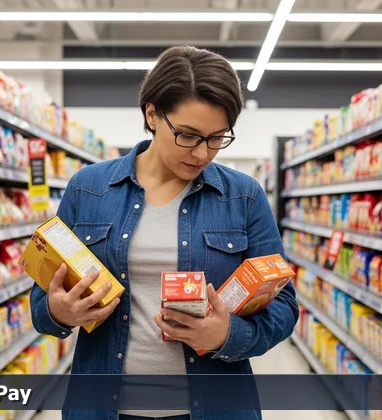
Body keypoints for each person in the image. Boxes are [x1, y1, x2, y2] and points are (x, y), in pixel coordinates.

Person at [30, 45, 299, 420]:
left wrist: (226, 336)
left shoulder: (244, 196)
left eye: (217, 137)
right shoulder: (87, 189)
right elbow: (41, 305)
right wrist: (59, 312)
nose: (203, 154)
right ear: (152, 114)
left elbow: (285, 308)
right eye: (188, 135)